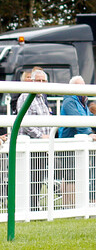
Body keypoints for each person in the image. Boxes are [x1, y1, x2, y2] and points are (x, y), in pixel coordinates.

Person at [58, 76, 96, 208]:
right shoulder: (69, 101)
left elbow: (91, 119)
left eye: (84, 85)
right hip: (69, 143)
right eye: (80, 85)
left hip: (78, 143)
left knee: (78, 173)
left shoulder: (82, 102)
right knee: (71, 175)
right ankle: (69, 207)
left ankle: (78, 205)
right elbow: (78, 120)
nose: (84, 88)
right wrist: (89, 133)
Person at [17, 68, 52, 208]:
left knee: (38, 177)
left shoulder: (41, 97)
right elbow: (24, 122)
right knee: (30, 177)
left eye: (44, 81)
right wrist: (41, 136)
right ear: (31, 81)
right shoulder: (26, 96)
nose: (41, 83)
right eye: (39, 81)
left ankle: (34, 206)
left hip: (41, 145)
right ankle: (28, 207)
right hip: (30, 145)